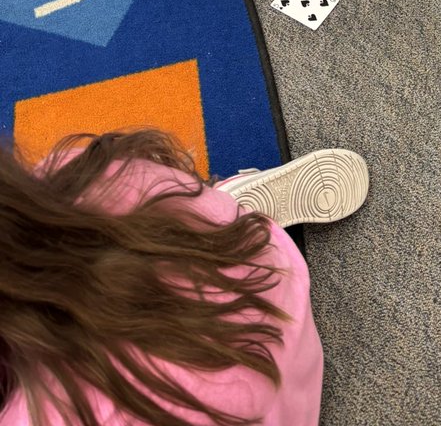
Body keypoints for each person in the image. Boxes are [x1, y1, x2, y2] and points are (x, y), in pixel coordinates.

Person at [0, 128, 370, 425]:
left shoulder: (40, 414)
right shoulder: (87, 170)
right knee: (155, 209)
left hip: (286, 414)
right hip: (274, 292)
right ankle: (213, 221)